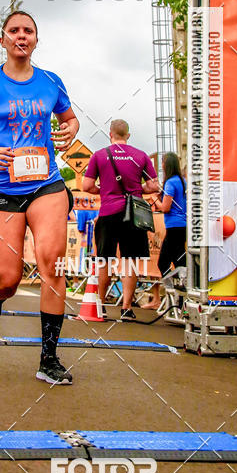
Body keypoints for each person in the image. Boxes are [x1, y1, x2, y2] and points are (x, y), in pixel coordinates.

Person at [0, 10, 79, 386]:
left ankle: (49, 359)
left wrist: (69, 130)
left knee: (52, 263)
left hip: (46, 183)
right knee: (7, 278)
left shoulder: (50, 81)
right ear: (3, 39)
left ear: (36, 40)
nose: (21, 36)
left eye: (28, 31)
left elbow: (70, 118)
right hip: (0, 188)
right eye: (14, 31)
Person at [83, 119, 160, 321]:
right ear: (128, 135)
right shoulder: (141, 156)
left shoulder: (99, 156)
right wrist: (137, 191)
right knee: (130, 261)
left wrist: (106, 191)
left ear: (110, 134)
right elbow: (153, 186)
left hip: (108, 212)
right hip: (133, 214)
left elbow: (86, 186)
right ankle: (126, 308)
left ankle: (100, 305)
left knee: (104, 260)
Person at [145, 152, 187, 310]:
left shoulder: (170, 182)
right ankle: (181, 297)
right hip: (182, 226)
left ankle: (174, 293)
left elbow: (166, 207)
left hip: (174, 225)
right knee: (179, 262)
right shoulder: (183, 181)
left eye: (162, 163)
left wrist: (155, 199)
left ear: (167, 165)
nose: (161, 166)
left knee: (163, 262)